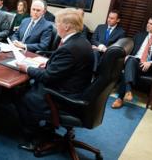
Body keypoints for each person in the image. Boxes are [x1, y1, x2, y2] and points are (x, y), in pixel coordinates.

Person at [15, 8, 94, 150]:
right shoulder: (81, 41)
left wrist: (26, 68)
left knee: (23, 96)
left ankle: (33, 139)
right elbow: (63, 62)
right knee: (29, 86)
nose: (55, 25)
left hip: (64, 96)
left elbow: (47, 77)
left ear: (66, 26)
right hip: (75, 87)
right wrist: (50, 62)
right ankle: (46, 129)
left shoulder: (70, 48)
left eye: (57, 23)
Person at [112, 16, 152, 108]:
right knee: (131, 60)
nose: (148, 25)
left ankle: (122, 96)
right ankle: (126, 93)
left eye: (151, 24)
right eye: (148, 22)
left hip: (149, 66)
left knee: (129, 66)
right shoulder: (140, 35)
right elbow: (130, 48)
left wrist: (151, 62)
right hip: (134, 61)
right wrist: (126, 55)